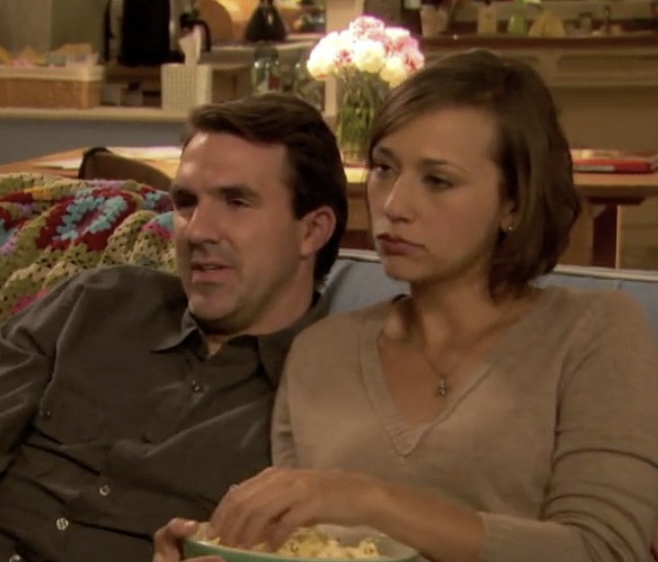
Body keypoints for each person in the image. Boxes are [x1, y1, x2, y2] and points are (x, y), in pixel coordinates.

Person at [157, 50, 658, 562]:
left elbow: (606, 550)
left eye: (437, 181)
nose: (394, 205)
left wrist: (371, 500)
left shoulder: (592, 332)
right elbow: (303, 550)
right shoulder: (321, 351)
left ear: (513, 202)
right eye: (384, 169)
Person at [0, 93, 347, 562]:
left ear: (312, 230)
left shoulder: (329, 401)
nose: (197, 231)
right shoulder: (95, 302)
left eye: (236, 202)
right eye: (185, 202)